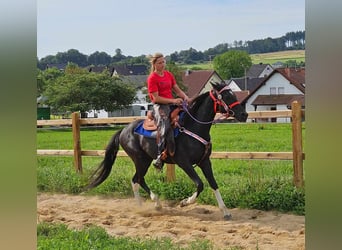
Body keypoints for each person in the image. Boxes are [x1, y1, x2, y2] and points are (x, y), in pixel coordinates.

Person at [147, 52, 190, 170]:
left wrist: (186, 98)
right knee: (165, 127)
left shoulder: (169, 75)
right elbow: (156, 98)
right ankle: (159, 157)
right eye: (160, 63)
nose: (162, 64)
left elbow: (177, 89)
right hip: (160, 106)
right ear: (154, 64)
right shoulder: (152, 78)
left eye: (164, 62)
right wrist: (173, 100)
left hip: (171, 103)